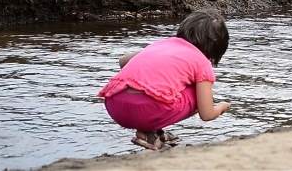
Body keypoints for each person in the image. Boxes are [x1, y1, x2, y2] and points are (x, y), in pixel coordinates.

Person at [97, 9, 231, 150]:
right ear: (216, 44)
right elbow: (207, 114)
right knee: (200, 93)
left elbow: (123, 61)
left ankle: (149, 133)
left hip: (114, 106)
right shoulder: (202, 62)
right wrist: (222, 106)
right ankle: (149, 128)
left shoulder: (162, 44)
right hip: (147, 112)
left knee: (162, 87)